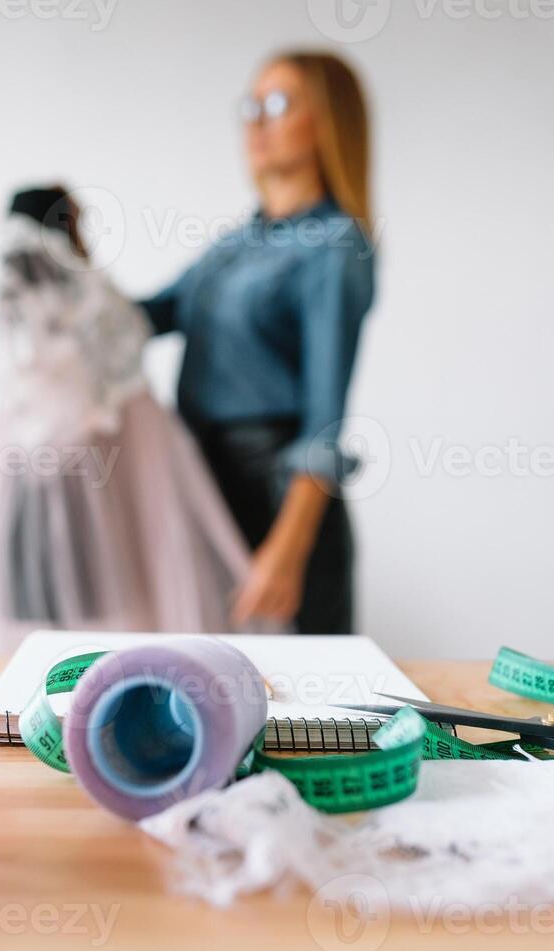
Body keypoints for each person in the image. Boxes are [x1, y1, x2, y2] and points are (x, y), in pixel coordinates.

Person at [0, 186, 255, 653]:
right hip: (86, 484)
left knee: (31, 622)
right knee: (100, 617)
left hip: (12, 485)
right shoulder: (91, 306)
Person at [142, 51, 377, 635]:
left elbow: (323, 426)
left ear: (326, 120)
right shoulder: (234, 247)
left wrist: (287, 551)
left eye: (277, 105)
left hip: (277, 500)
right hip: (203, 485)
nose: (255, 122)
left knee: (307, 713)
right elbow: (143, 319)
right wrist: (54, 272)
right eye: (251, 105)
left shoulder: (334, 245)